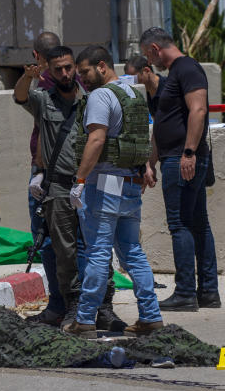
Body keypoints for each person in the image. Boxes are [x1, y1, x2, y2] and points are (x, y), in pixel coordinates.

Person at [14, 46, 126, 331]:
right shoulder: (43, 100)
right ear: (49, 71)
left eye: (68, 67)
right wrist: (27, 77)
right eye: (57, 69)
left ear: (75, 67)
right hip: (60, 188)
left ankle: (104, 307)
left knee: (97, 248)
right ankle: (74, 305)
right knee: (65, 252)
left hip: (91, 185)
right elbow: (20, 96)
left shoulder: (93, 99)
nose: (64, 73)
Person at [64, 45, 162, 337]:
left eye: (85, 72)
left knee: (97, 253)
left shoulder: (101, 96)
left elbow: (96, 139)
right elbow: (139, 136)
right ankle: (151, 316)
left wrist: (80, 180)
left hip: (104, 184)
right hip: (130, 183)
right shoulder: (132, 93)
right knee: (132, 252)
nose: (81, 78)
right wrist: (146, 166)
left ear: (102, 66)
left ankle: (84, 321)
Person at [139, 27, 219, 312]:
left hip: (182, 160)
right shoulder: (174, 75)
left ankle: (186, 292)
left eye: (147, 56)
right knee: (197, 223)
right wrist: (151, 161)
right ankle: (208, 292)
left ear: (154, 50)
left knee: (180, 225)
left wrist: (188, 152)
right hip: (176, 157)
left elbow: (198, 110)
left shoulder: (186, 68)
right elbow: (164, 122)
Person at [20, 31, 66, 325]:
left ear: (36, 56)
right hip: (72, 172)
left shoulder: (45, 88)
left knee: (46, 239)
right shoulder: (75, 84)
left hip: (46, 174)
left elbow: (20, 98)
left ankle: (58, 306)